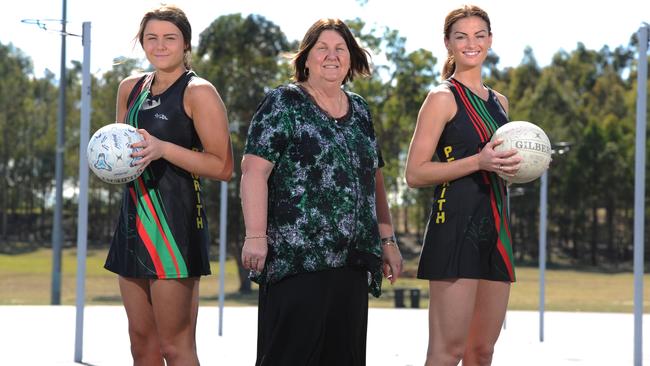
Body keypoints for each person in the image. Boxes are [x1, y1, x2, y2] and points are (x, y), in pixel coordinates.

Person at [240, 18, 403, 366]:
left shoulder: (360, 109)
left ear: (351, 58)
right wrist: (255, 236)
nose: (332, 56)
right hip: (297, 261)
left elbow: (373, 181)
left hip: (352, 264)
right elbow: (254, 172)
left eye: (340, 49)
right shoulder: (284, 102)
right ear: (307, 58)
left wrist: (387, 242)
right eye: (322, 48)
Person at [103, 5, 233, 366]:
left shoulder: (198, 92)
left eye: (170, 38)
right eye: (152, 38)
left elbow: (222, 166)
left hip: (175, 227)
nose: (160, 46)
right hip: (133, 223)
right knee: (140, 345)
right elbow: (123, 153)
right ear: (142, 43)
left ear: (186, 44)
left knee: (174, 347)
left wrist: (163, 149)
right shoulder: (129, 88)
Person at [404, 5, 522, 366]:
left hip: (496, 231)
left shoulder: (499, 102)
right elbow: (415, 173)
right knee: (448, 352)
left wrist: (522, 167)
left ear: (490, 41)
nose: (472, 43)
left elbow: (498, 166)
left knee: (481, 352)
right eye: (461, 36)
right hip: (453, 227)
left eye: (479, 35)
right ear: (448, 44)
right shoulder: (442, 98)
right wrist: (477, 162)